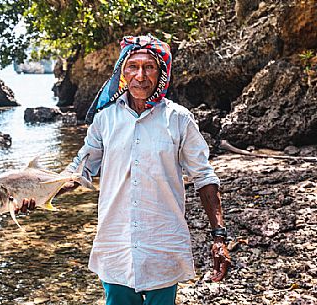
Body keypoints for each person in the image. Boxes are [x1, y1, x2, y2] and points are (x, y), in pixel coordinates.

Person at [20, 34, 230, 304]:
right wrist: (37, 194)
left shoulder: (179, 120)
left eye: (149, 67)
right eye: (133, 66)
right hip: (115, 245)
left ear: (161, 73)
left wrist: (219, 236)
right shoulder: (105, 119)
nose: (140, 75)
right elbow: (80, 171)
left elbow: (204, 177)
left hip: (162, 245)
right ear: (122, 72)